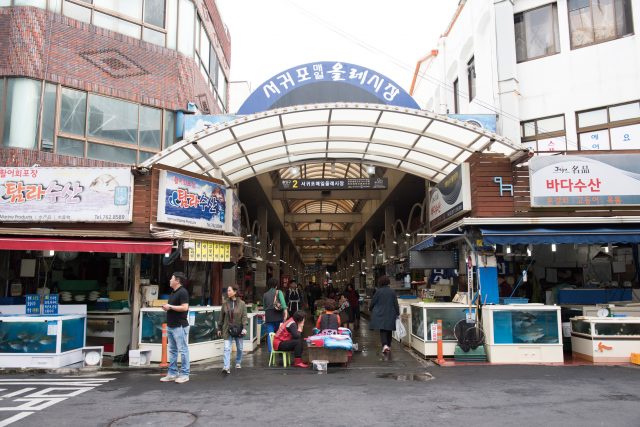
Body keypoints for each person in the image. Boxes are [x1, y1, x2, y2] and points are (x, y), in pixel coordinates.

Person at [160, 272, 190, 383]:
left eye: (171, 278)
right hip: (171, 325)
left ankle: (185, 374)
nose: (170, 280)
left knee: (183, 350)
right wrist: (168, 307)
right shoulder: (173, 292)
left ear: (177, 280)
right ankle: (172, 373)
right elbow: (174, 308)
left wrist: (170, 306)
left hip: (180, 326)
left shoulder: (183, 292)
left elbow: (185, 307)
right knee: (173, 351)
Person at [218, 285, 248, 374]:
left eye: (229, 290)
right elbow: (221, 317)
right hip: (227, 328)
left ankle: (238, 362)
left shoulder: (242, 304)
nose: (228, 292)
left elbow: (244, 317)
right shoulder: (225, 303)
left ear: (235, 292)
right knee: (227, 348)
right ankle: (226, 367)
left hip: (238, 329)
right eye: (227, 290)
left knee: (240, 348)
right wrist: (219, 328)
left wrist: (244, 328)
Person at [369, 275, 399, 354]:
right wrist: (398, 313)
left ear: (380, 283)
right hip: (391, 313)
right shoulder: (392, 291)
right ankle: (388, 345)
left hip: (380, 313)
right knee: (389, 330)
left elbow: (373, 302)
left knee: (383, 330)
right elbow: (396, 303)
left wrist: (370, 308)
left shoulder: (378, 291)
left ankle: (385, 345)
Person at [263, 277, 288, 352]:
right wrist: (285, 313)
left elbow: (264, 307)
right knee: (279, 333)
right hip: (278, 316)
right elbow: (283, 304)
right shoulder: (279, 292)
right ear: (276, 285)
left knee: (270, 334)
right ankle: (279, 348)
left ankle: (271, 351)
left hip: (269, 316)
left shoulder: (265, 294)